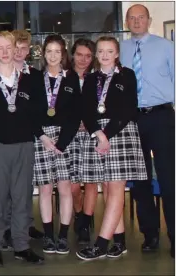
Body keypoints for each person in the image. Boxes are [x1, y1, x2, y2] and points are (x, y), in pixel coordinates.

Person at [76, 36, 148, 260]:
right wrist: (97, 133)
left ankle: (101, 244)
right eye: (101, 51)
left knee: (116, 188)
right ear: (96, 54)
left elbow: (129, 109)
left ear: (117, 54)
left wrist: (107, 134)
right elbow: (86, 110)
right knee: (106, 187)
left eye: (110, 51)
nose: (105, 55)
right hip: (97, 136)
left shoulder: (127, 75)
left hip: (121, 133)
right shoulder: (91, 79)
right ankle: (120, 241)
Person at [0, 31, 45, 267]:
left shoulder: (29, 81)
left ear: (16, 49)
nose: (6, 52)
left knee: (22, 198)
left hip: (24, 145)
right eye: (1, 47)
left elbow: (37, 113)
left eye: (10, 47)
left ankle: (21, 245)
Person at [120, 4, 175, 257]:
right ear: (126, 22)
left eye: (141, 17)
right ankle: (150, 234)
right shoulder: (121, 49)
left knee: (168, 179)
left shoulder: (167, 47)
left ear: (149, 20)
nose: (137, 21)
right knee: (140, 180)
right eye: (132, 18)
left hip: (162, 116)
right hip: (133, 120)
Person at [34, 35, 81, 255]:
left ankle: (63, 235)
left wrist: (62, 142)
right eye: (49, 51)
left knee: (64, 188)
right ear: (43, 54)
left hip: (65, 138)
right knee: (44, 188)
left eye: (57, 51)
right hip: (42, 138)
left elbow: (75, 114)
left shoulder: (71, 79)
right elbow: (30, 113)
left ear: (63, 55)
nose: (53, 56)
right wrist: (42, 136)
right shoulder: (34, 79)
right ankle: (48, 236)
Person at [1, 30, 44, 251]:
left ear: (29, 51)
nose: (19, 52)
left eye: (23, 48)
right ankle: (7, 228)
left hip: (30, 135)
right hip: (6, 139)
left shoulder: (35, 76)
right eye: (14, 47)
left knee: (26, 185)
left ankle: (25, 224)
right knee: (7, 187)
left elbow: (39, 107)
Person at [70, 38, 98, 245]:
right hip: (69, 134)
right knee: (72, 185)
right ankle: (79, 213)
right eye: (79, 55)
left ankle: (85, 223)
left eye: (88, 56)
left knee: (90, 180)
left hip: (91, 133)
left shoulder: (97, 78)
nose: (83, 60)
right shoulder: (63, 77)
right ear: (72, 55)